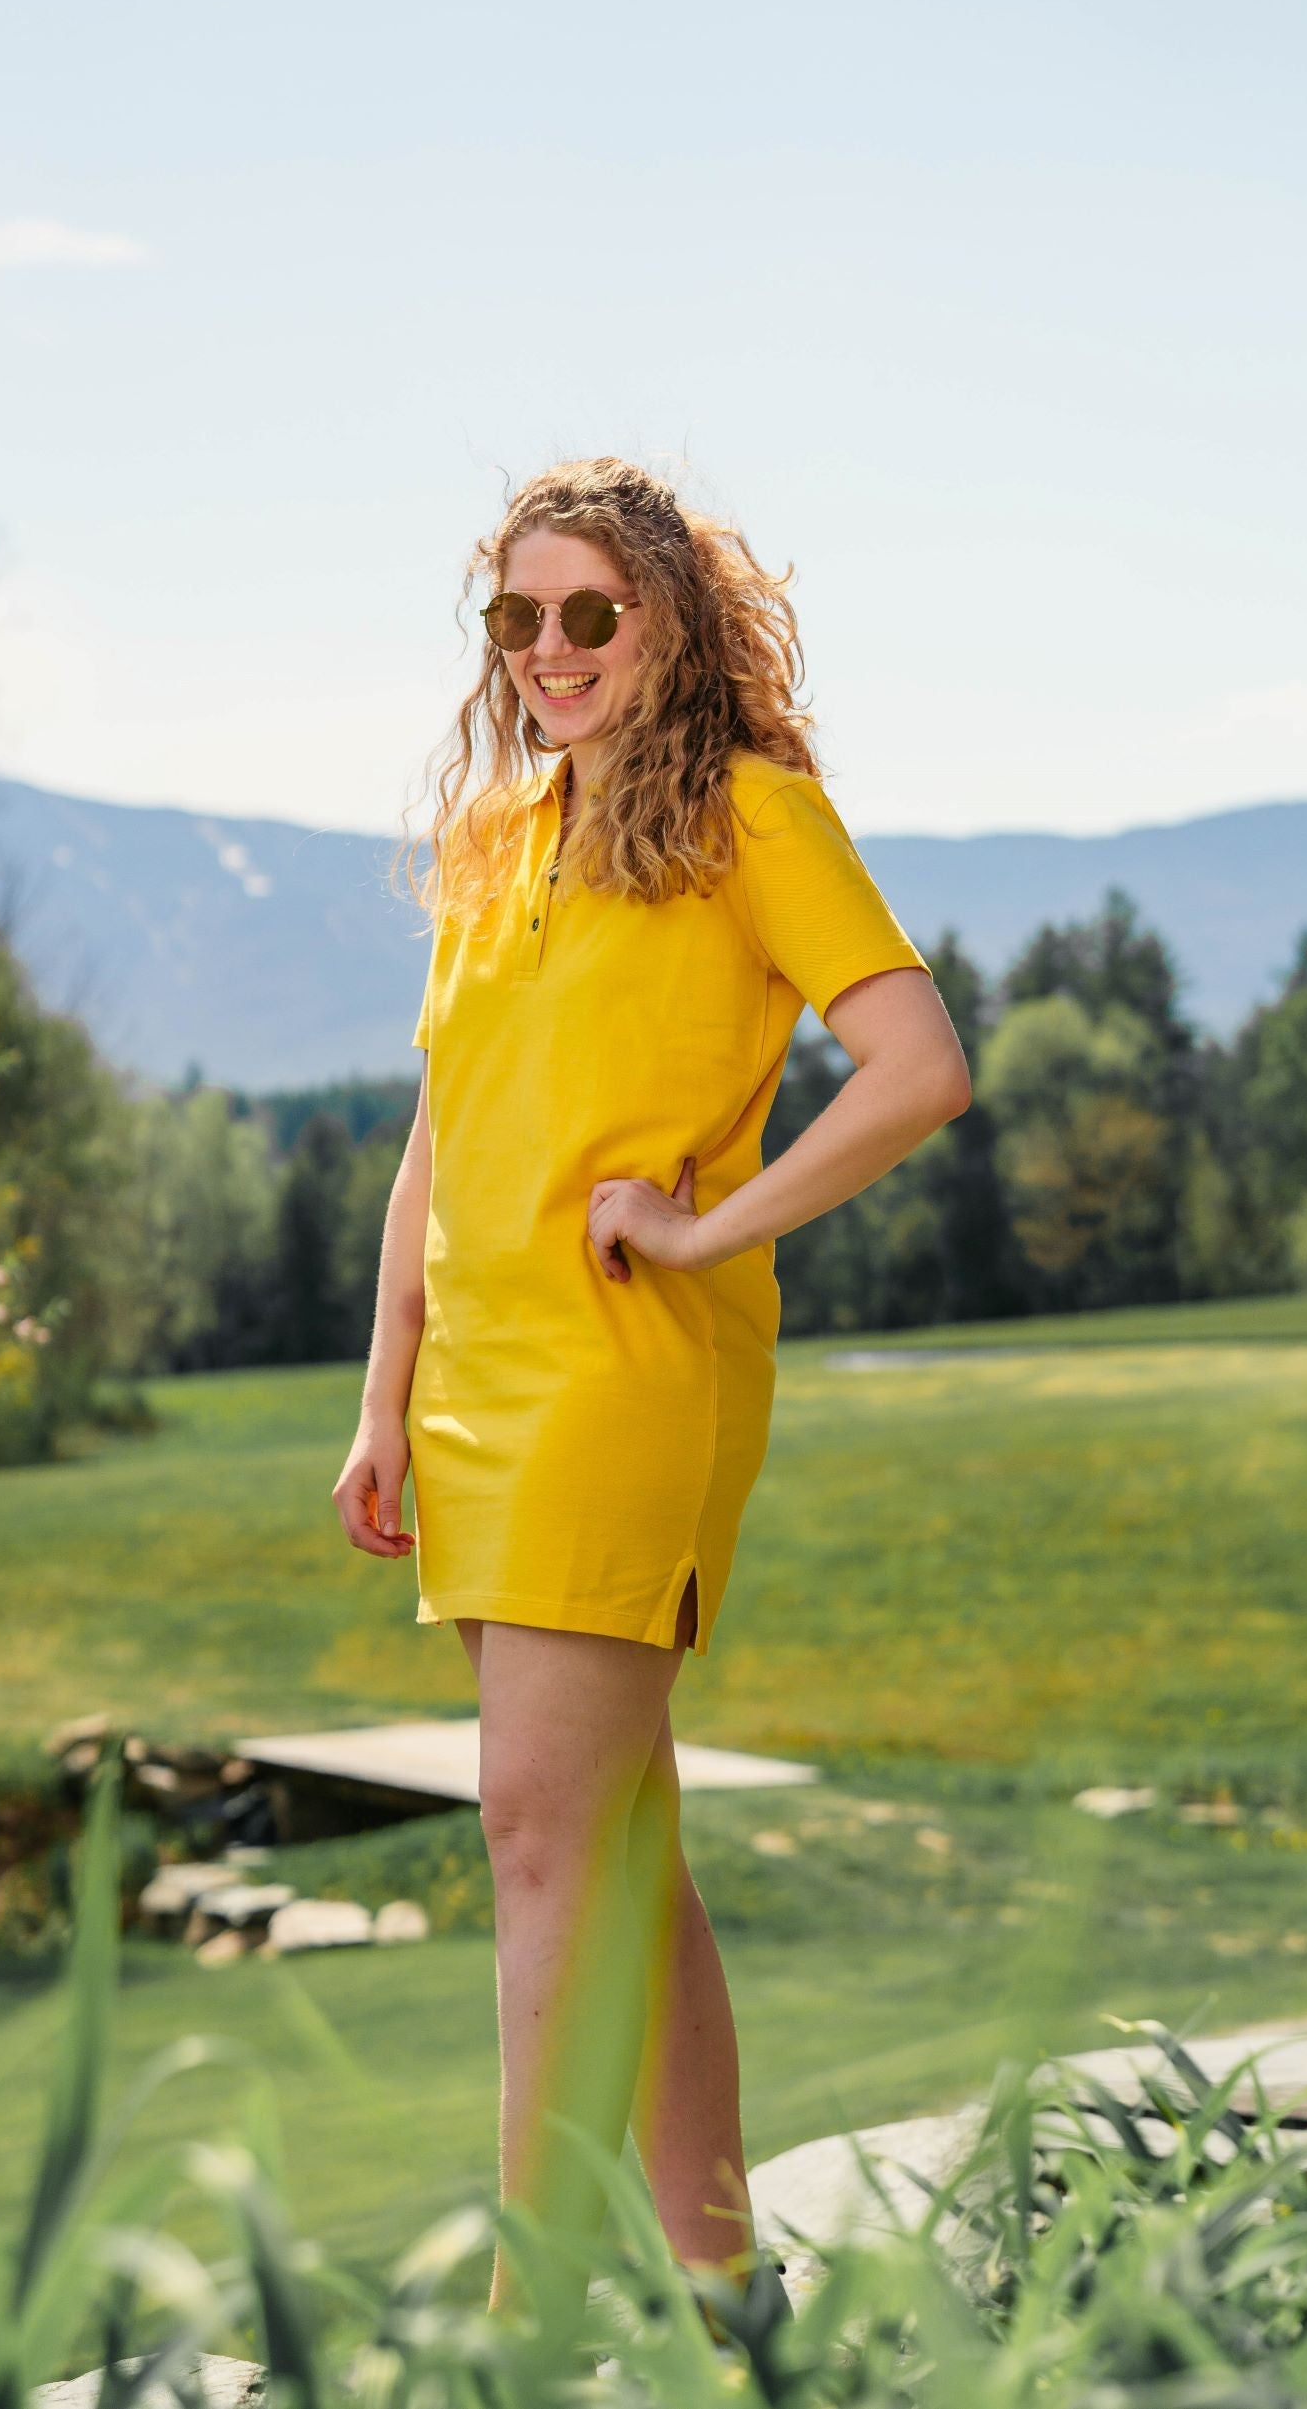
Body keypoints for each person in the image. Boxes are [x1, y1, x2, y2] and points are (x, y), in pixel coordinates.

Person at [334, 456, 971, 2337]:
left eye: (588, 614)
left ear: (671, 621)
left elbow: (918, 1065)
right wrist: (385, 1391)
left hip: (628, 1381)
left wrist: (710, 1234)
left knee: (535, 1822)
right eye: (515, 619)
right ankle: (723, 2285)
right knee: (619, 1836)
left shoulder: (754, 815)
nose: (548, 651)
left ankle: (528, 2325)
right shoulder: (488, 844)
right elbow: (439, 1139)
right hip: (475, 1389)